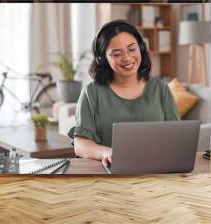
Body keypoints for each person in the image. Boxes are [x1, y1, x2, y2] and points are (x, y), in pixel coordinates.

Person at [73, 20, 179, 166]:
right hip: (110, 173)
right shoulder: (91, 93)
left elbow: (176, 137)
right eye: (117, 54)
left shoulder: (161, 89)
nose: (127, 58)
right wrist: (106, 152)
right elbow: (80, 144)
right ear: (103, 59)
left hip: (156, 170)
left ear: (141, 48)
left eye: (132, 49)